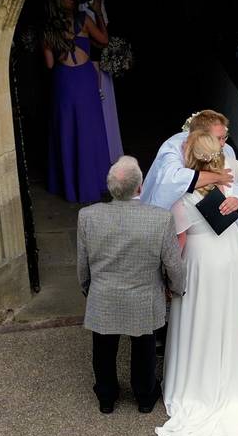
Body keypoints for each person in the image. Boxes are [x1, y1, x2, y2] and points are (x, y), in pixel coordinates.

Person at [155, 132, 238, 436]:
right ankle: (225, 383)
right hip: (229, 257)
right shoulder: (230, 185)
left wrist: (170, 281)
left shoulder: (182, 198)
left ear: (190, 161)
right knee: (225, 319)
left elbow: (177, 242)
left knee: (196, 319)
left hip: (199, 260)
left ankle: (192, 386)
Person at [77, 156, 186, 414]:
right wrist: (176, 287)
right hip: (144, 297)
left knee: (103, 349)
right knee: (144, 349)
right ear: (140, 187)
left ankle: (106, 396)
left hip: (104, 295)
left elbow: (83, 264)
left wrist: (87, 289)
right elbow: (173, 263)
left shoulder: (88, 216)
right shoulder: (160, 219)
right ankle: (145, 397)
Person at [40, 0, 110, 203]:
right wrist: (98, 12)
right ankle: (95, 182)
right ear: (60, 2)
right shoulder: (83, 19)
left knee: (67, 129)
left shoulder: (48, 30)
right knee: (89, 128)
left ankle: (70, 186)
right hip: (84, 79)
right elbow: (104, 40)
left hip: (64, 81)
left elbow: (50, 64)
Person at [141, 109, 238, 221]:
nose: (223, 143)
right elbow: (171, 180)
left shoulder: (226, 149)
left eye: (224, 137)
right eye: (218, 138)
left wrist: (237, 198)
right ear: (201, 136)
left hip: (214, 220)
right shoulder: (173, 147)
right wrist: (217, 177)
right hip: (179, 218)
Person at [78, 0, 124, 166]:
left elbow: (103, 34)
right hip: (83, 62)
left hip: (98, 59)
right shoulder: (77, 8)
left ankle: (110, 150)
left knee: (106, 105)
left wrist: (97, 10)